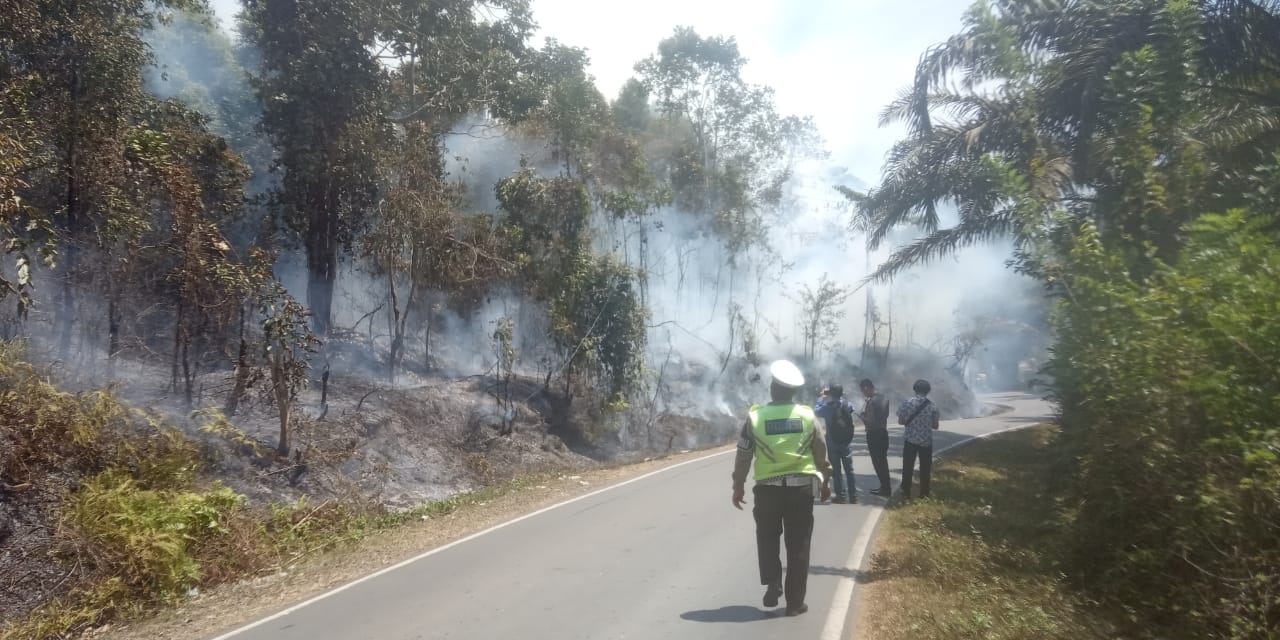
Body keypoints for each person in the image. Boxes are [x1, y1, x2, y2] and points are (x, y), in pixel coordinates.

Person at [732, 360, 833, 616]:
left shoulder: (755, 417)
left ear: (772, 390)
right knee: (798, 543)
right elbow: (821, 452)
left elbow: (743, 455)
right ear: (793, 392)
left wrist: (738, 486)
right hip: (801, 490)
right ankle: (795, 603)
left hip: (767, 490)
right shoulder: (808, 416)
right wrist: (826, 480)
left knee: (767, 537)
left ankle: (773, 581)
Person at [897, 379, 941, 499]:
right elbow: (936, 426)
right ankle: (924, 494)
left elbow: (900, 421)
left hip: (910, 440)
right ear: (928, 391)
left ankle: (905, 491)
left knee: (907, 467)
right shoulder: (932, 405)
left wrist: (910, 422)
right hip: (926, 441)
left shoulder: (907, 402)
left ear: (914, 389)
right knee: (925, 468)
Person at [815, 384, 858, 503]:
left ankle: (841, 496)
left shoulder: (827, 408)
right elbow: (851, 408)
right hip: (846, 442)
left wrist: (822, 397)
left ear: (831, 394)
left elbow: (816, 411)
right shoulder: (847, 405)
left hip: (833, 443)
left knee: (836, 471)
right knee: (850, 470)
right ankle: (853, 496)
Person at [858, 378, 893, 497]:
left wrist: (861, 415)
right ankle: (885, 487)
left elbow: (870, 421)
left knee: (877, 463)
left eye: (863, 391)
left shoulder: (871, 402)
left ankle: (885, 489)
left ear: (866, 388)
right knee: (883, 462)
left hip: (874, 434)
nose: (863, 393)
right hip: (883, 433)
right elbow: (885, 415)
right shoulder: (885, 399)